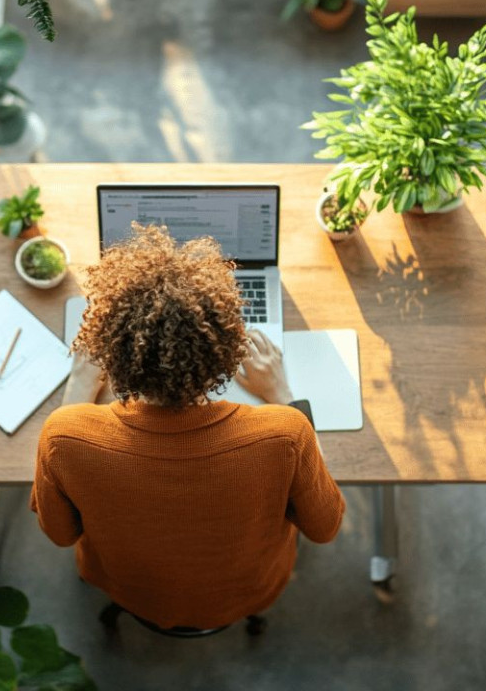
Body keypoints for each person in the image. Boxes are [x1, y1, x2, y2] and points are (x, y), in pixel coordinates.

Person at [30, 224, 345, 630]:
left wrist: (78, 386)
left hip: (131, 591)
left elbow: (59, 533)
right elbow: (325, 526)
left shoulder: (66, 435)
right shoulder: (286, 432)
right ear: (226, 349)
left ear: (111, 354)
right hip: (247, 591)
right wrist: (283, 393)